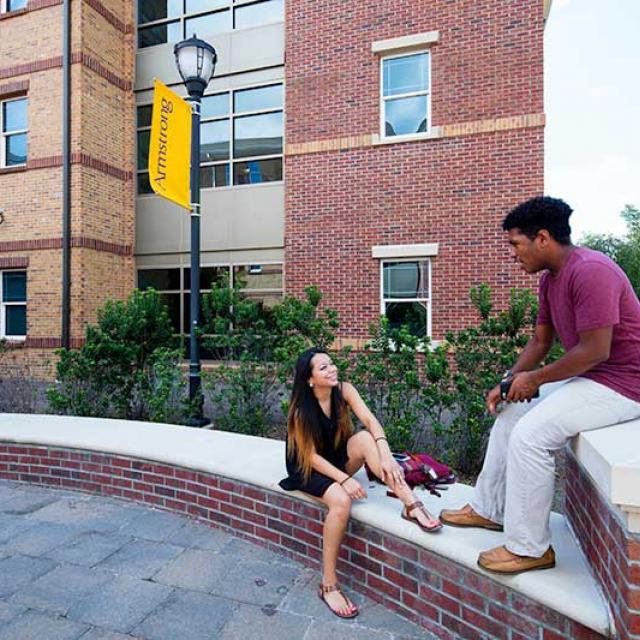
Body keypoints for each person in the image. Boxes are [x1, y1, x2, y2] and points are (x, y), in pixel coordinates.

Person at [440, 196, 640, 574]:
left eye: (516, 244)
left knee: (531, 435)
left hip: (624, 384)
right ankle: (490, 509)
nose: (513, 254)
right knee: (513, 410)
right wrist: (511, 380)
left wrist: (534, 379)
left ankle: (530, 548)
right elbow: (540, 342)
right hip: (593, 377)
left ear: (543, 238)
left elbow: (596, 350)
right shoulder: (551, 279)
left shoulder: (592, 271)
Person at [279, 347, 441, 618]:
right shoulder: (300, 410)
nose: (332, 369)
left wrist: (385, 455)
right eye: (323, 368)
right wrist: (343, 479)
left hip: (334, 458)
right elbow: (309, 456)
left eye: (332, 364)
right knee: (341, 502)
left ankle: (409, 503)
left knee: (366, 438)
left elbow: (369, 420)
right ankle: (328, 585)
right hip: (308, 467)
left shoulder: (344, 390)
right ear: (309, 379)